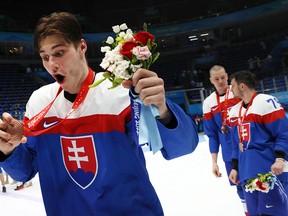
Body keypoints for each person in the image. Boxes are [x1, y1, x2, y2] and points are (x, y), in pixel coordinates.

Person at [0, 12, 199, 215]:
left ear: (82, 47)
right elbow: (25, 171)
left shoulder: (121, 89)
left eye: (59, 53)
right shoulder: (39, 101)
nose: (52, 64)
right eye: (44, 57)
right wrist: (10, 149)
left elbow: (182, 147)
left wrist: (163, 109)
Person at [228, 70, 288, 216]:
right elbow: (237, 144)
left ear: (242, 86)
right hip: (247, 172)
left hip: (269, 171)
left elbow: (284, 133)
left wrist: (280, 158)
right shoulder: (234, 112)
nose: (230, 89)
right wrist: (235, 168)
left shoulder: (266, 102)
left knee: (275, 213)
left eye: (232, 85)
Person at [202, 65, 248, 215]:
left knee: (258, 180)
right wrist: (214, 161)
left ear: (227, 76)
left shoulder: (238, 93)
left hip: (247, 147)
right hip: (229, 152)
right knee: (240, 186)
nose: (221, 81)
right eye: (216, 79)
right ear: (211, 81)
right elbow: (212, 135)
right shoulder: (208, 103)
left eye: (223, 77)